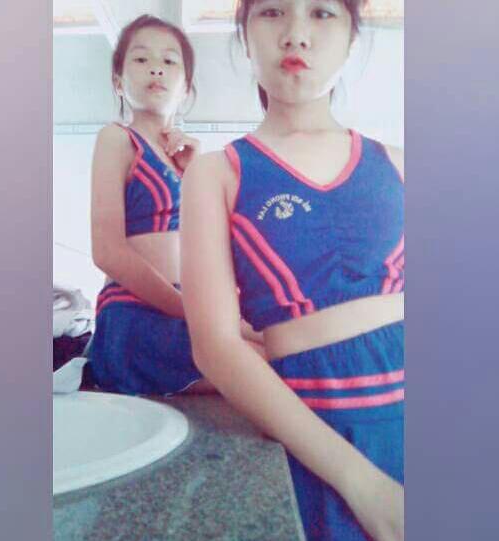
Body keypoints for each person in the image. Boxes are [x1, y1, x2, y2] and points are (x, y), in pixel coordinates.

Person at [180, 1, 404, 539]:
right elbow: (215, 347)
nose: (296, 34)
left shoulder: (400, 163)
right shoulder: (217, 173)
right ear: (245, 35)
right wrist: (362, 483)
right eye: (273, 12)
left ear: (352, 38)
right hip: (312, 443)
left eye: (322, 13)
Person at [89, 14, 264, 396]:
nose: (156, 68)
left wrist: (194, 174)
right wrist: (195, 312)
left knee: (288, 353)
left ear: (185, 88)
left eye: (170, 61)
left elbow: (217, 251)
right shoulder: (117, 138)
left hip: (187, 312)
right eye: (140, 59)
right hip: (137, 318)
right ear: (118, 82)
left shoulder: (188, 162)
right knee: (267, 367)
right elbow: (107, 252)